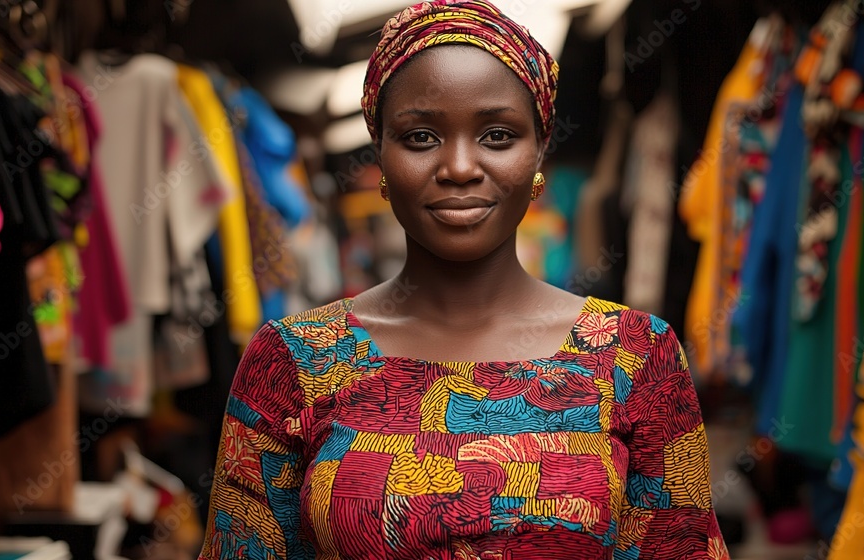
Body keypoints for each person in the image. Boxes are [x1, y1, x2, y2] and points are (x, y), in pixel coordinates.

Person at [198, 1, 728, 558]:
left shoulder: (636, 356)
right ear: (379, 153)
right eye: (420, 137)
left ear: (539, 150)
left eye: (498, 135)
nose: (457, 167)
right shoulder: (293, 361)